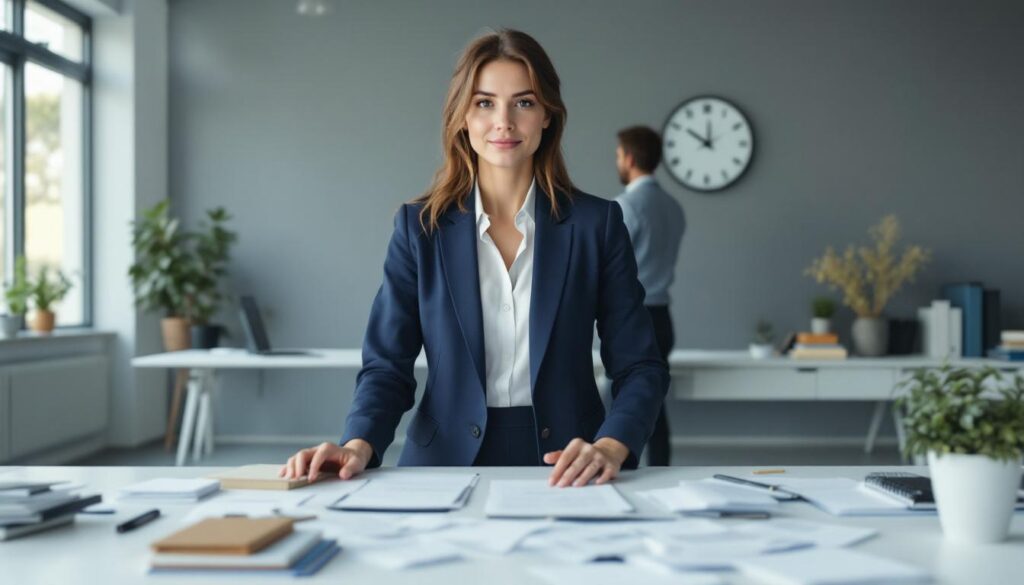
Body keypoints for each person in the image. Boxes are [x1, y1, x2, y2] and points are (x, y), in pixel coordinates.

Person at [282, 29, 668, 488]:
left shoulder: (596, 225)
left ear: (547, 115)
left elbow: (639, 366)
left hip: (570, 467)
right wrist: (357, 443)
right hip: (441, 465)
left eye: (524, 102)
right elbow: (387, 366)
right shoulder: (419, 228)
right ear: (462, 116)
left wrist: (611, 445)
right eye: (485, 103)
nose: (504, 122)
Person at [613, 126, 685, 466]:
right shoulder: (674, 207)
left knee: (623, 401)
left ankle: (617, 466)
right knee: (652, 398)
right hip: (663, 316)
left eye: (618, 155)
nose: (618, 161)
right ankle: (660, 469)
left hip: (634, 317)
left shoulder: (625, 207)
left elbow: (607, 265)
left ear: (629, 158)